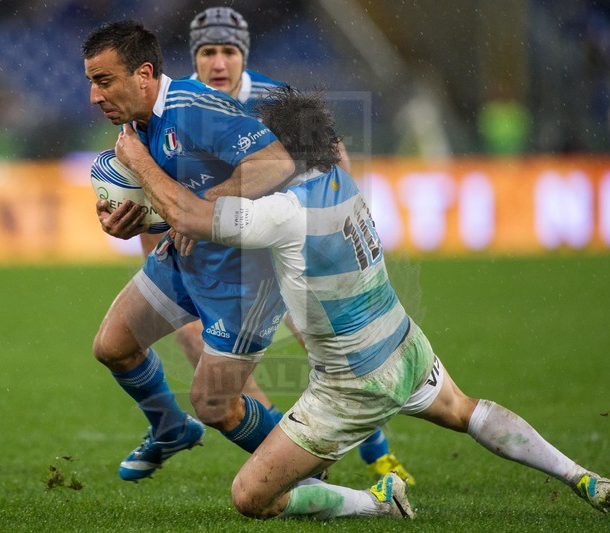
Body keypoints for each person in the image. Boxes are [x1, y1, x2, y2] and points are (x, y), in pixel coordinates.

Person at [113, 86, 610, 520]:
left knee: (251, 498)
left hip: (351, 386)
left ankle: (378, 502)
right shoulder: (342, 180)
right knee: (467, 411)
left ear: (281, 151)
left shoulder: (284, 212)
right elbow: (205, 215)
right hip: (404, 343)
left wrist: (137, 159)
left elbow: (192, 219)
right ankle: (583, 477)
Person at [136, 6, 412, 484]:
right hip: (222, 256)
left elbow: (333, 154)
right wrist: (156, 258)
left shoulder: (271, 98)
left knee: (326, 347)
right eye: (207, 52)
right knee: (204, 353)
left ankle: (376, 453)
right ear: (193, 57)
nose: (217, 63)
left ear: (243, 55)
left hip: (283, 244)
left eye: (228, 51)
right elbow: (155, 191)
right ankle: (283, 451)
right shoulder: (178, 105)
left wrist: (342, 217)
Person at [82, 20, 295, 482]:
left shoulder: (194, 108)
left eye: (104, 81)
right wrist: (131, 222)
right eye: (91, 83)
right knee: (113, 346)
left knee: (216, 404)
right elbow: (169, 198)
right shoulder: (135, 127)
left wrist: (203, 210)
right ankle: (171, 428)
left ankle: (303, 470)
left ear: (143, 74)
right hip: (185, 258)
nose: (95, 97)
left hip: (244, 277)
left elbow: (276, 163)